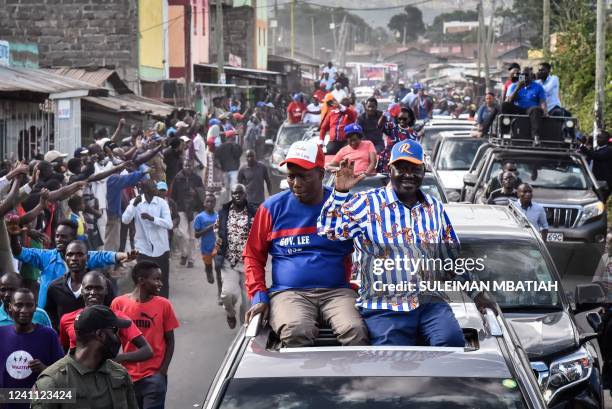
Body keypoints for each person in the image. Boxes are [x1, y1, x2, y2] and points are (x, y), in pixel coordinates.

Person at [318, 139, 494, 346]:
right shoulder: (367, 203)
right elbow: (327, 231)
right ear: (390, 169)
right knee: (392, 364)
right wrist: (339, 193)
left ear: (423, 171)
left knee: (452, 345)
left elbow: (449, 260)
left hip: (430, 303)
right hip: (384, 306)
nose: (408, 174)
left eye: (414, 168)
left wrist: (476, 292)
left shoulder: (434, 207)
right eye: (401, 168)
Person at [244, 140, 368, 347]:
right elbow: (253, 256)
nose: (296, 183)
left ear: (321, 174)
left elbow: (373, 245)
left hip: (338, 292)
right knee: (296, 331)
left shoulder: (344, 204)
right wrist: (259, 296)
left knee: (355, 332)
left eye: (304, 176)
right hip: (289, 293)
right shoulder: (271, 208)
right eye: (291, 176)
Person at [8, 219, 134, 309]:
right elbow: (20, 253)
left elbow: (102, 256)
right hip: (48, 312)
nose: (59, 239)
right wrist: (14, 237)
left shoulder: (83, 256)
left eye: (63, 236)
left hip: (75, 313)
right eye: (57, 236)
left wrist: (122, 256)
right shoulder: (46, 257)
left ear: (73, 239)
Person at [32, 305, 138, 409]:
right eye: (114, 331)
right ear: (100, 335)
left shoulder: (120, 374)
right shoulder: (52, 382)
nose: (117, 337)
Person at [111, 261, 179, 409]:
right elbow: (112, 337)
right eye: (156, 279)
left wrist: (163, 371)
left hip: (154, 378)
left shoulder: (164, 305)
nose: (160, 283)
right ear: (141, 280)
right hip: (126, 377)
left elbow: (170, 341)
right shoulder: (118, 304)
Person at [59, 271, 153, 362]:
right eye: (88, 288)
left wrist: (116, 359)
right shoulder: (67, 319)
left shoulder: (117, 318)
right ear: (82, 291)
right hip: (77, 375)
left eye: (98, 288)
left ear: (106, 290)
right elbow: (64, 349)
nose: (93, 292)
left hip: (106, 375)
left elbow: (147, 350)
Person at [0, 288, 63, 409]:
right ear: (10, 307)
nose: (24, 310)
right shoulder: (1, 334)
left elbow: (62, 375)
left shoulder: (49, 335)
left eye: (29, 305)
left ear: (35, 307)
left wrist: (44, 369)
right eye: (19, 305)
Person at [44, 240, 116, 330]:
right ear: (65, 258)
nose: (74, 258)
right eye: (70, 255)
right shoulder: (54, 287)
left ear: (88, 257)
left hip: (96, 340)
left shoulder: (103, 284)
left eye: (79, 254)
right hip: (66, 341)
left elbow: (112, 312)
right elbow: (51, 316)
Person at [122, 179, 173, 298]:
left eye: (155, 187)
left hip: (161, 249)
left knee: (162, 282)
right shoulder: (136, 202)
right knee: (143, 282)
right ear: (145, 190)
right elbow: (125, 220)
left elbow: (169, 224)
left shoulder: (161, 203)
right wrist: (134, 206)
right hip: (143, 249)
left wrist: (153, 218)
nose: (156, 189)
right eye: (153, 188)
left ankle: (163, 308)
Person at [215, 184, 257, 328]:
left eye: (240, 193)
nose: (237, 196)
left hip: (248, 262)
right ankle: (230, 314)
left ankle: (244, 330)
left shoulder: (253, 212)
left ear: (245, 195)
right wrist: (218, 251)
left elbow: (260, 233)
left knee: (247, 301)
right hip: (229, 261)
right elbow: (218, 232)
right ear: (231, 195)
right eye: (234, 193)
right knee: (227, 294)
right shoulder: (224, 212)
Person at [171, 159, 205, 268]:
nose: (187, 167)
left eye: (189, 165)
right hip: (181, 209)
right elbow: (173, 195)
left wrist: (196, 192)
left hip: (194, 209)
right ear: (183, 166)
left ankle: (191, 260)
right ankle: (184, 254)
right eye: (185, 165)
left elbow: (203, 194)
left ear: (193, 166)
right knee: (183, 235)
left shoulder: (197, 178)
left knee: (193, 237)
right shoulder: (178, 178)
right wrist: (173, 209)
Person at [502, 67, 547, 142]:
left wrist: (545, 111)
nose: (524, 77)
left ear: (530, 76)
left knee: (536, 109)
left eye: (526, 75)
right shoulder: (514, 86)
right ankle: (504, 133)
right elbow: (508, 101)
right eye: (522, 75)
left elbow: (542, 101)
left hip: (531, 109)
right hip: (519, 108)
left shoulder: (538, 87)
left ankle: (536, 136)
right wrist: (518, 87)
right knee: (504, 105)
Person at [377, 106, 418, 173]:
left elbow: (415, 151)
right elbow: (380, 125)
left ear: (409, 119)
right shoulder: (392, 127)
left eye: (404, 119)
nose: (402, 120)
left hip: (404, 164)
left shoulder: (413, 134)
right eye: (400, 118)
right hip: (388, 162)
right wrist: (384, 115)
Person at [194, 193, 219, 289]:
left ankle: (220, 292)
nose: (210, 204)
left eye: (212, 202)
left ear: (215, 203)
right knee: (209, 267)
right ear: (204, 203)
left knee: (218, 266)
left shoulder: (218, 215)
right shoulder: (199, 217)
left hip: (217, 246)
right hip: (205, 247)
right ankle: (208, 271)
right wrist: (209, 228)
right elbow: (196, 235)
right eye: (208, 201)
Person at [579, 130, 612, 196]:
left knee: (600, 201)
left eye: (600, 137)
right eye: (597, 137)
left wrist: (583, 146)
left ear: (606, 140)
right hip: (593, 181)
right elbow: (589, 157)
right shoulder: (596, 149)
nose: (597, 139)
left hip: (603, 183)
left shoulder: (608, 150)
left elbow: (597, 156)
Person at [215, 134, 243, 203]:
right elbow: (238, 155)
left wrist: (219, 166)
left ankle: (228, 202)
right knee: (232, 187)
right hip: (234, 170)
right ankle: (231, 202)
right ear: (232, 137)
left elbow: (216, 158)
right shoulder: (236, 146)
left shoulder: (221, 146)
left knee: (227, 188)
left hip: (225, 170)